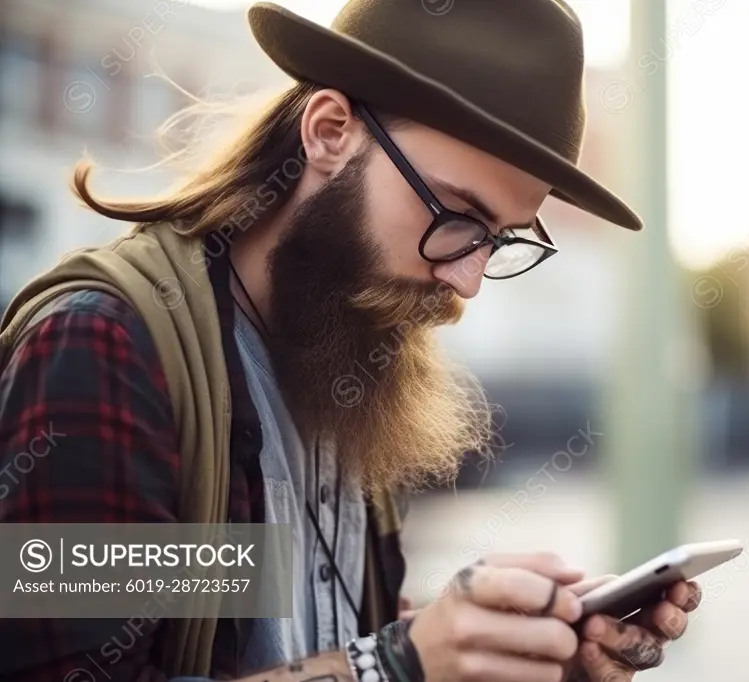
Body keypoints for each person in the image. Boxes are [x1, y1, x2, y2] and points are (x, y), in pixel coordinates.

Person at [0, 1, 701, 681]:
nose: (466, 281)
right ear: (330, 132)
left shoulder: (339, 352)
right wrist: (394, 667)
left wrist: (514, 651)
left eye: (498, 240)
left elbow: (282, 621)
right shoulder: (105, 349)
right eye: (456, 215)